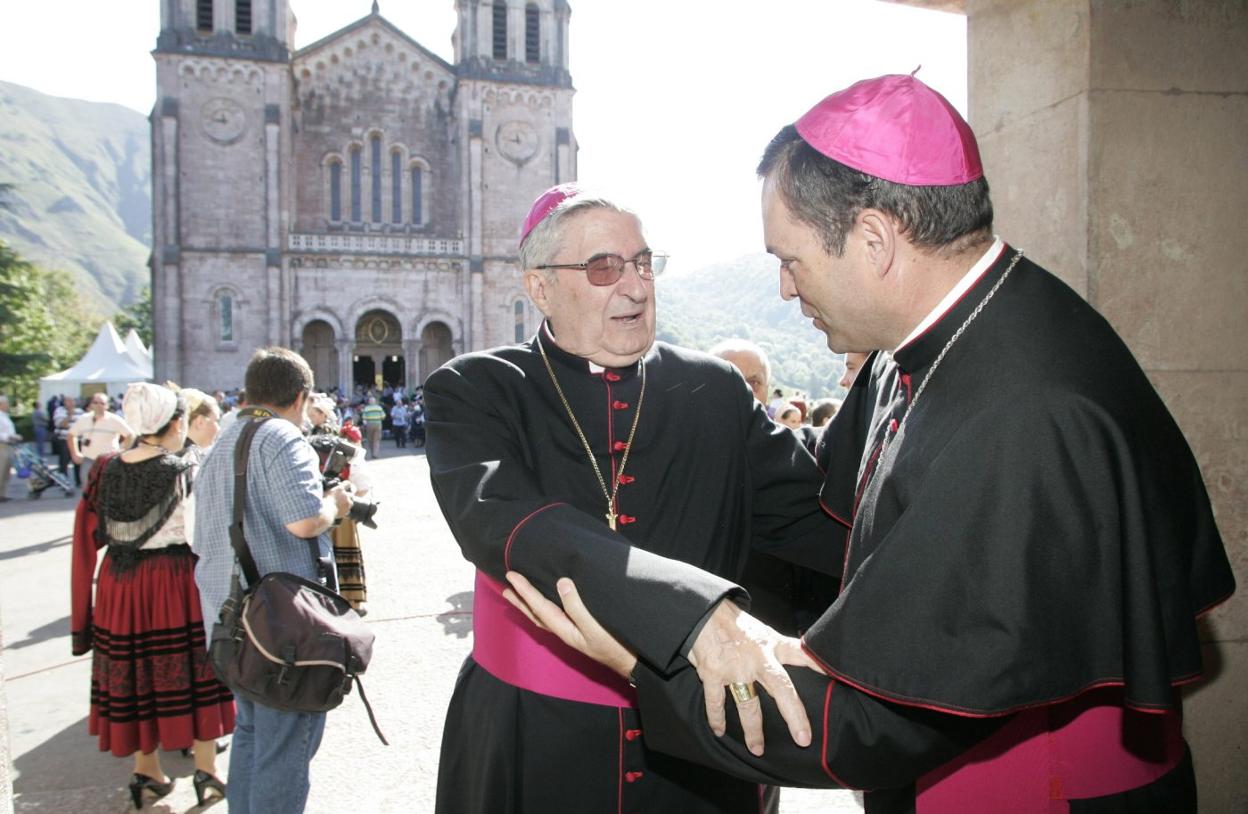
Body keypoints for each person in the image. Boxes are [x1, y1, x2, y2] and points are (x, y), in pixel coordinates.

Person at [502, 74, 1236, 812]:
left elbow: (873, 722)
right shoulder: (922, 344)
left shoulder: (1024, 414)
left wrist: (645, 664)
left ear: (876, 240)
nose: (786, 290)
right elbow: (844, 531)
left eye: (790, 260)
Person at [424, 184, 842, 813]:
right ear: (540, 288)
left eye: (644, 263)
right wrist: (693, 616)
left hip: (698, 744)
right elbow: (504, 521)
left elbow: (815, 509)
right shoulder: (478, 387)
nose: (637, 286)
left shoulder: (714, 388)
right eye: (603, 268)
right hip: (533, 735)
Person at [193, 348, 353, 814]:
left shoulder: (224, 437)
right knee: (286, 747)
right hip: (280, 631)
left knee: (251, 734)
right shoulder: (280, 435)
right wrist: (336, 505)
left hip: (231, 623)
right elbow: (305, 521)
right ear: (301, 397)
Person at [69, 383, 232, 809]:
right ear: (177, 423)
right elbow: (209, 534)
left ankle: (147, 771)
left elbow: (84, 540)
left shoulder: (103, 468)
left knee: (136, 675)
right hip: (176, 581)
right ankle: (206, 769)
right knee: (194, 672)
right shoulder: (188, 467)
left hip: (119, 586)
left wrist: (80, 620)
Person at [307, 392, 373, 615]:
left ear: (322, 414)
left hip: (337, 500)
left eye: (313, 412)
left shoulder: (332, 437)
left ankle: (342, 597)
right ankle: (345, 596)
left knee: (336, 548)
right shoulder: (309, 435)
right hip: (330, 502)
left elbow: (355, 471)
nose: (309, 416)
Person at [69, 392, 135, 485]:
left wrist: (122, 450)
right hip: (88, 460)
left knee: (109, 489)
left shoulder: (114, 419)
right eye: (95, 402)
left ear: (107, 405)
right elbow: (71, 435)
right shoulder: (84, 419)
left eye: (102, 403)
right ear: (91, 404)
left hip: (109, 461)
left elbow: (130, 435)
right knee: (88, 490)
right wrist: (75, 453)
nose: (98, 405)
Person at [52, 395, 83, 487]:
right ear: (64, 402)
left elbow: (83, 425)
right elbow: (61, 424)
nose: (70, 403)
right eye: (68, 401)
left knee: (78, 461)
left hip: (78, 440)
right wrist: (69, 415)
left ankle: (79, 481)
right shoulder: (59, 411)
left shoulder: (80, 412)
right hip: (64, 439)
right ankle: (63, 481)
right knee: (64, 461)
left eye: (72, 401)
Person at [0, 396, 21, 502]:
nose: (8, 405)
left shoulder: (5, 416)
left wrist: (14, 436)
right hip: (2, 446)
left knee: (6, 471)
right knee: (1, 470)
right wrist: (9, 437)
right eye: (6, 403)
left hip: (9, 445)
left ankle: (3, 494)